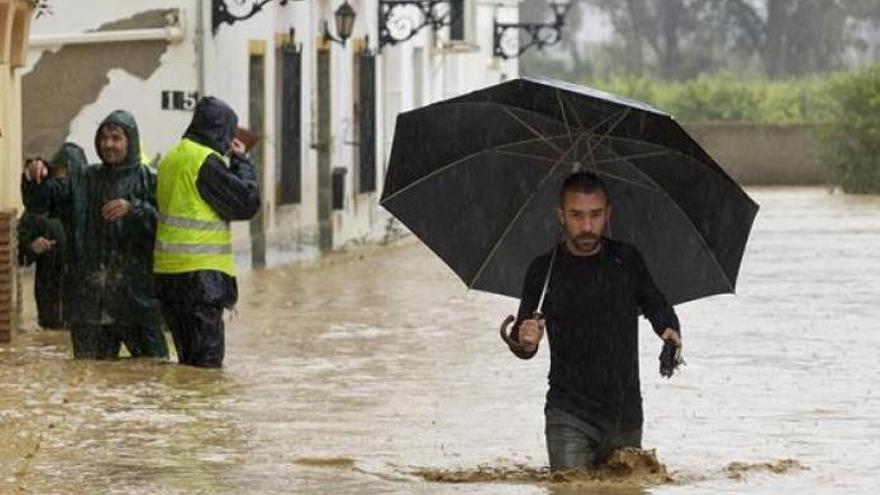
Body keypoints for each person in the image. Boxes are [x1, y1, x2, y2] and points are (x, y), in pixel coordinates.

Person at [505, 171, 682, 472]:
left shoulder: (626, 260)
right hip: (568, 413)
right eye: (576, 215)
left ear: (608, 214)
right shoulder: (544, 270)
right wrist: (525, 340)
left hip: (624, 416)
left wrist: (670, 333)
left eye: (595, 215)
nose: (586, 226)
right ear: (561, 215)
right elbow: (523, 345)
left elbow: (659, 307)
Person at [22, 111, 168, 359]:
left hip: (137, 301)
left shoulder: (148, 180)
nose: (108, 144)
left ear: (130, 141)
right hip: (89, 304)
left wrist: (134, 210)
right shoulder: (83, 180)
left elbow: (164, 226)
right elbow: (42, 202)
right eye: (103, 138)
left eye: (116, 138)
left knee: (154, 371)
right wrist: (37, 176)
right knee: (90, 376)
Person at [154, 96, 260, 368]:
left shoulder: (171, 158)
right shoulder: (204, 162)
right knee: (207, 370)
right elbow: (246, 204)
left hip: (168, 277)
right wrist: (242, 161)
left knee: (187, 364)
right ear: (220, 131)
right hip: (201, 279)